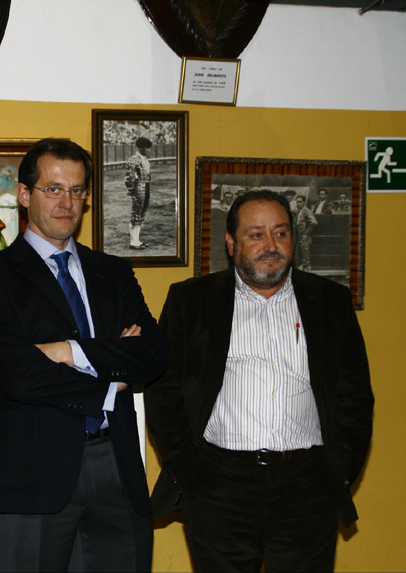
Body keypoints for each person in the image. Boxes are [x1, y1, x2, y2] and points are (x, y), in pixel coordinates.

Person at [0, 138, 168, 572]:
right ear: (25, 194)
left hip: (117, 465)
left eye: (77, 191)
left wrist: (68, 351)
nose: (67, 203)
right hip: (35, 473)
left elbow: (153, 354)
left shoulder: (113, 272)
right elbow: (20, 374)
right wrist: (110, 383)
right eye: (53, 189)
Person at [145, 190, 373, 572]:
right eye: (256, 235)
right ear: (231, 243)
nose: (271, 245)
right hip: (218, 484)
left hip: (308, 485)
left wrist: (337, 471)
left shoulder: (329, 301)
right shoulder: (192, 301)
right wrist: (189, 470)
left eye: (280, 233)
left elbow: (355, 395)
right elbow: (163, 392)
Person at [124, 136, 152, 249]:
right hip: (138, 189)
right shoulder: (133, 160)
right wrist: (132, 191)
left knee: (141, 214)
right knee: (136, 214)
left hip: (146, 187)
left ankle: (137, 240)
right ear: (140, 148)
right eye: (147, 148)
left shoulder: (145, 159)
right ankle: (133, 241)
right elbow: (129, 178)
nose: (149, 150)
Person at [294, 194, 318, 271]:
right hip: (299, 235)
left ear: (304, 202)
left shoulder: (306, 211)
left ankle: (306, 269)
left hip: (304, 235)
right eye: (297, 202)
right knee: (300, 253)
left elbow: (314, 222)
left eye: (300, 202)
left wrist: (307, 233)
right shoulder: (299, 211)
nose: (298, 204)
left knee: (305, 253)